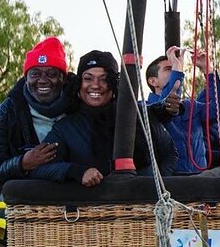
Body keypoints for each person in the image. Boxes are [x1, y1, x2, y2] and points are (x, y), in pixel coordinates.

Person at [29, 51, 178, 186]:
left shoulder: (138, 114)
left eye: (104, 79)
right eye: (88, 78)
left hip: (143, 209)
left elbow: (169, 153)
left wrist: (157, 187)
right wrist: (76, 172)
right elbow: (39, 168)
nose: (95, 85)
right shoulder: (66, 127)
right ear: (79, 84)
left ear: (114, 84)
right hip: (93, 211)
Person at [0, 37, 78, 187]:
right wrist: (23, 163)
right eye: (35, 74)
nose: (42, 80)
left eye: (51, 74)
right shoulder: (7, 111)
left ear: (63, 78)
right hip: (27, 204)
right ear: (26, 78)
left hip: (74, 200)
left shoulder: (78, 106)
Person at [145, 46, 220, 173]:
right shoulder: (146, 109)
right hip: (168, 181)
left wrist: (208, 70)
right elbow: (167, 105)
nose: (175, 69)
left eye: (176, 67)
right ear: (153, 81)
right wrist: (177, 69)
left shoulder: (191, 106)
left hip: (198, 178)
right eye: (169, 69)